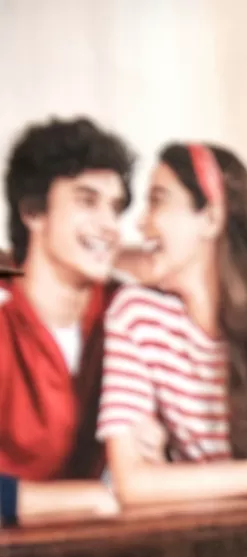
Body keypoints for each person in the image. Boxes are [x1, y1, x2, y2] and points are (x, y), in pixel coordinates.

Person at [97, 142, 247, 508]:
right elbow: (131, 484)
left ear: (211, 218)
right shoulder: (136, 315)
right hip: (197, 542)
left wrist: (169, 480)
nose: (140, 222)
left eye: (157, 200)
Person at [0, 117, 133, 526]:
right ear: (33, 212)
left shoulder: (125, 312)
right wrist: (82, 499)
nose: (109, 226)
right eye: (86, 201)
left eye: (114, 207)